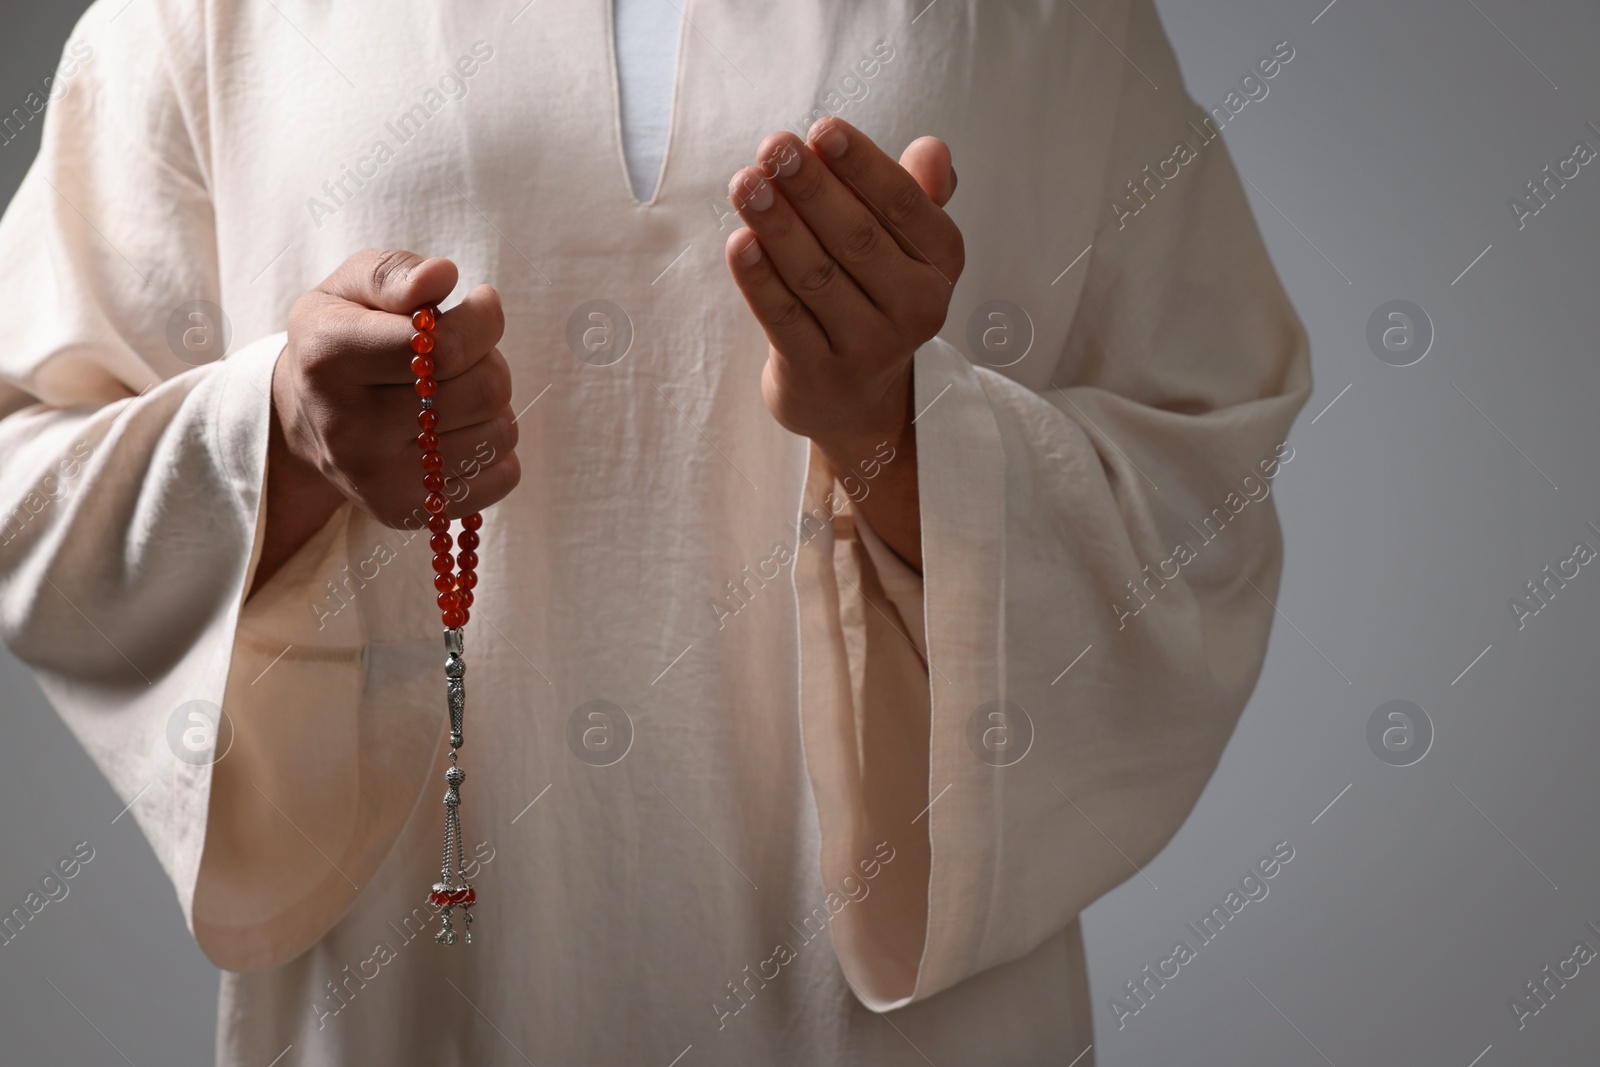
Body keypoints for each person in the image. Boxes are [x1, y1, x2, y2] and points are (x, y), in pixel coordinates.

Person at [0, 0, 1309, 1062]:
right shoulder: (203, 20)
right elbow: (25, 470)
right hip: (411, 1000)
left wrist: (903, 439)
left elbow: (1203, 482)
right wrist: (278, 439)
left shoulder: (1058, 26)